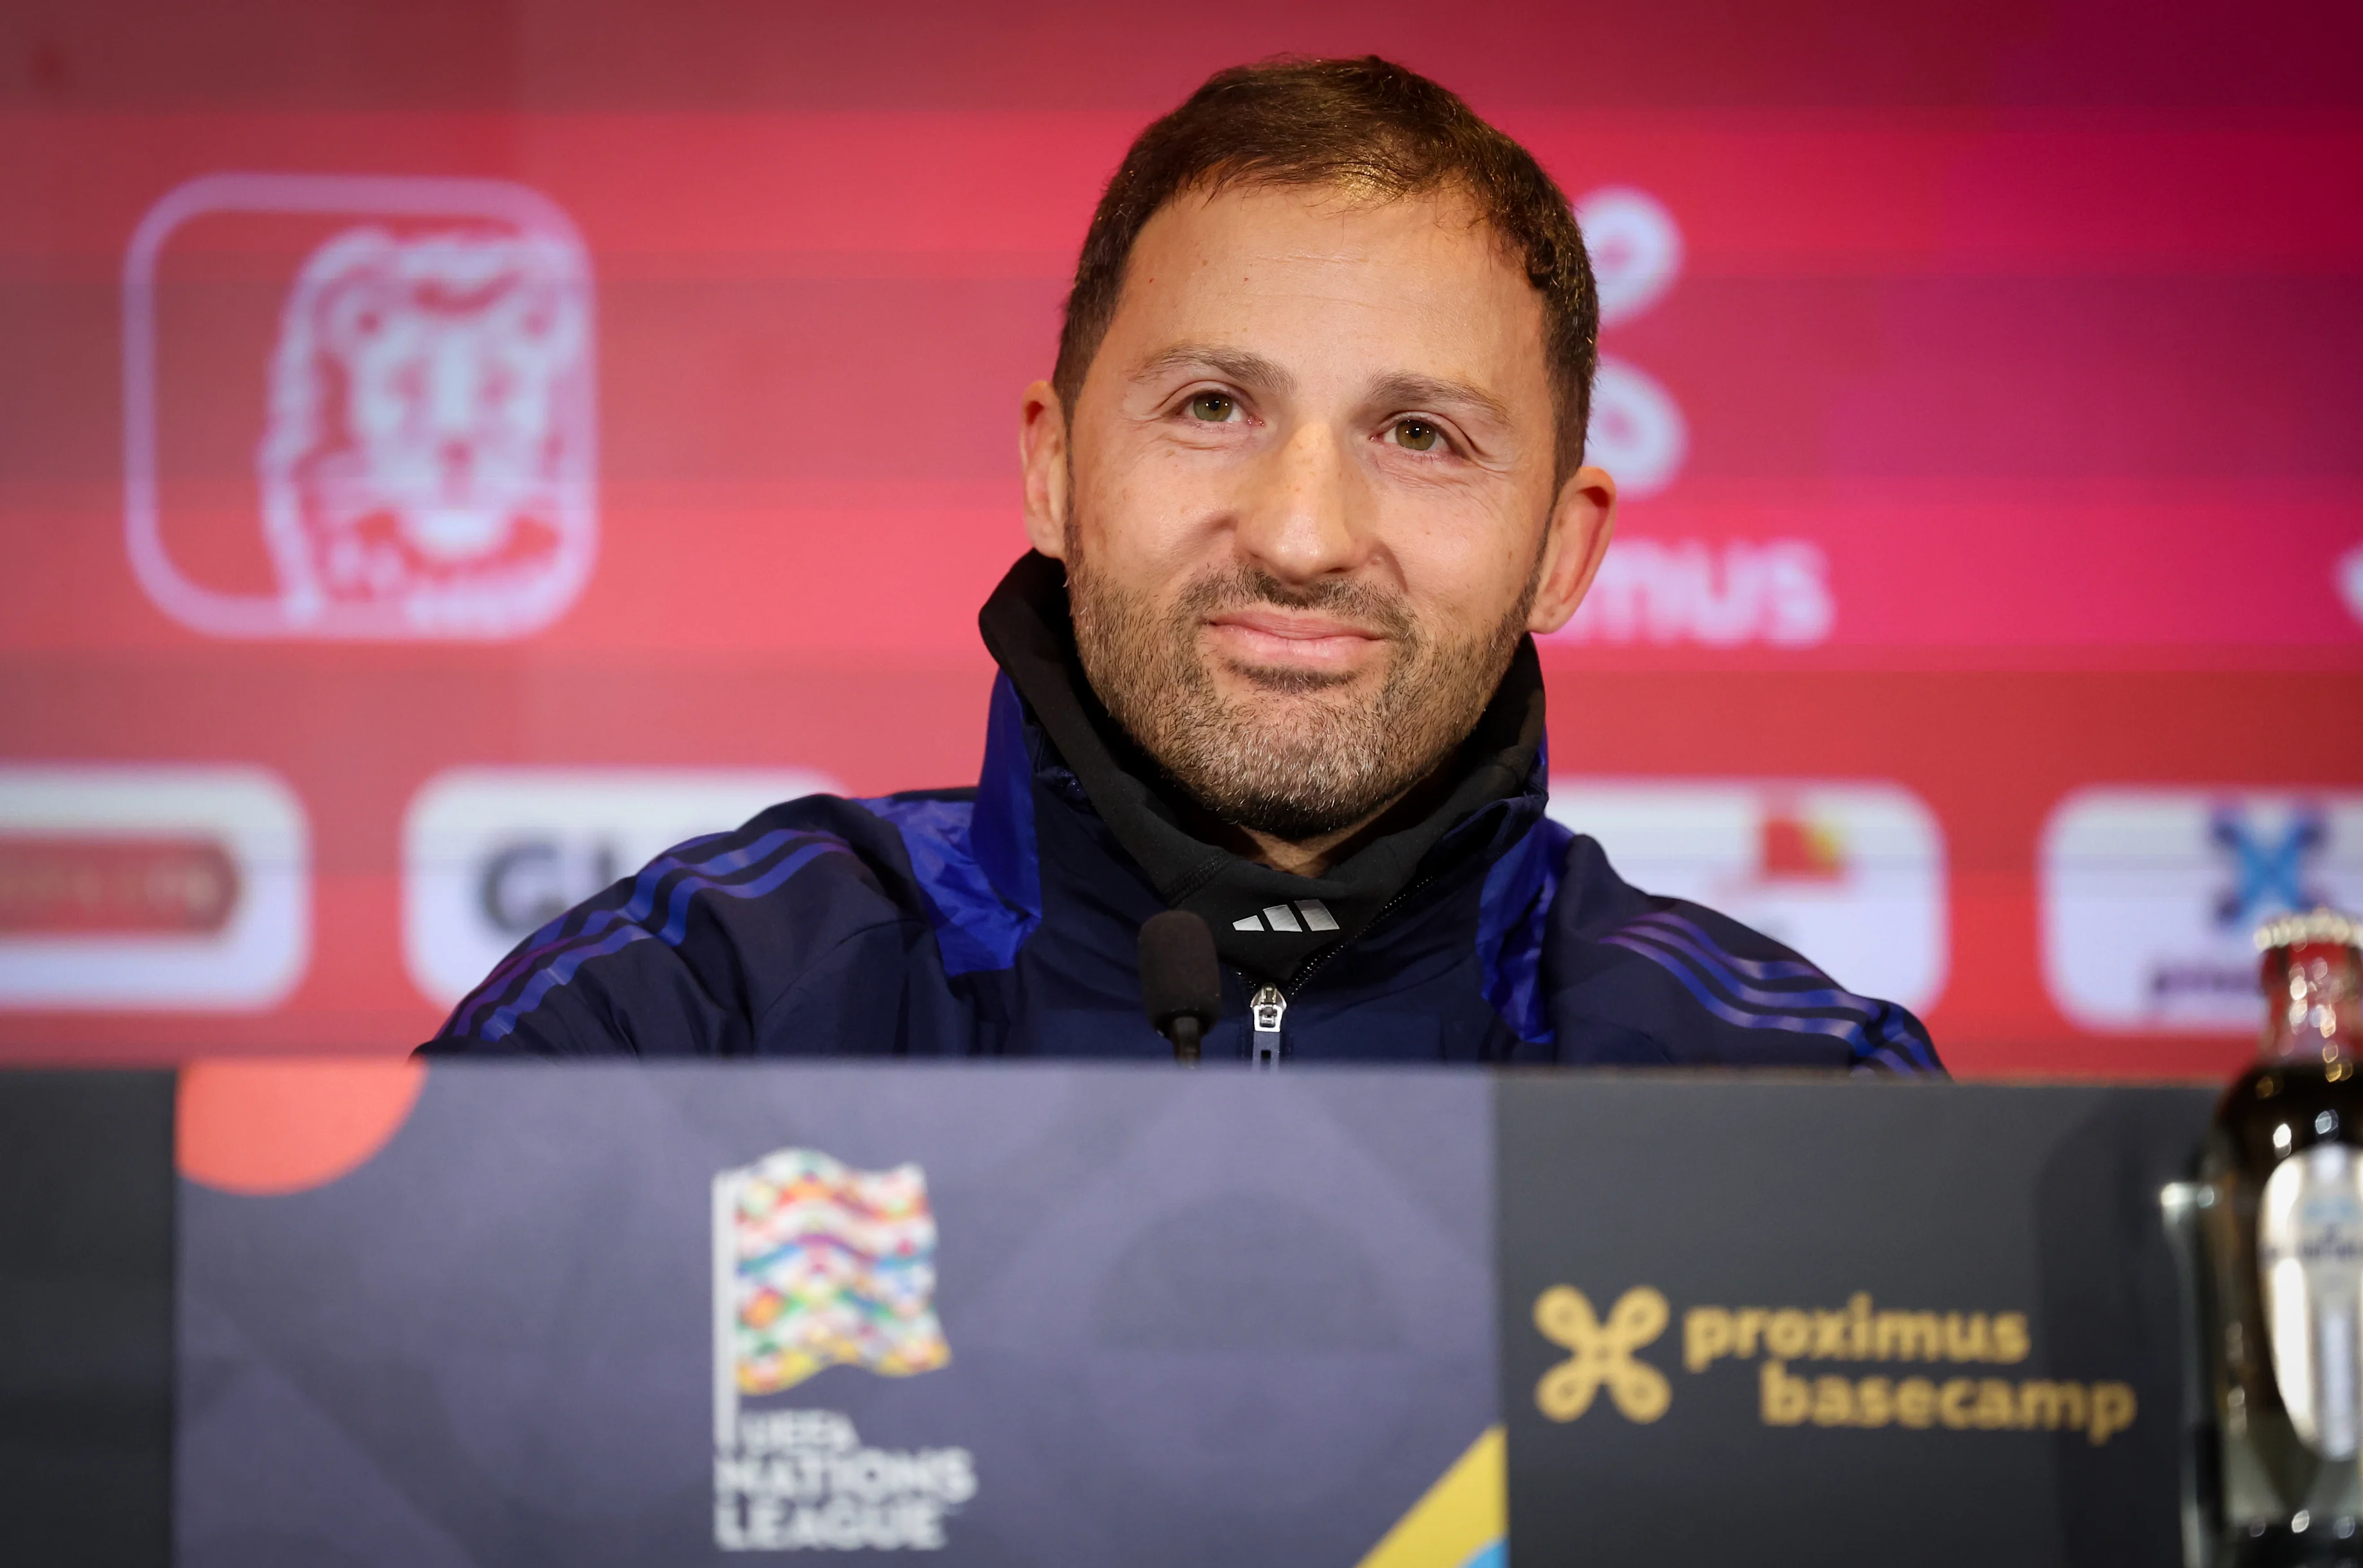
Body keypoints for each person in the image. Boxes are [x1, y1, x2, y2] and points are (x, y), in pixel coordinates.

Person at [421, 57, 1940, 1071]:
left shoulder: (1795, 1098)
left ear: (1565, 547)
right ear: (1056, 467)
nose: (1299, 535)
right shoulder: (686, 1012)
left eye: (1420, 435)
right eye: (1213, 408)